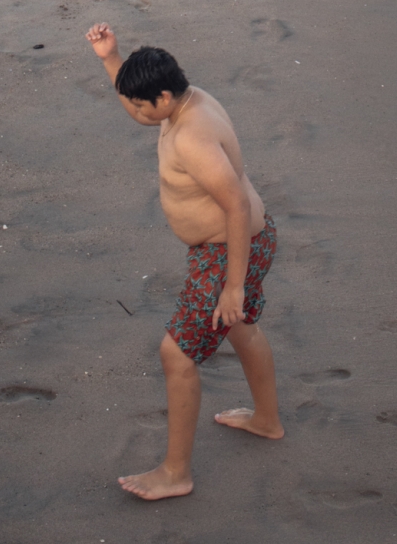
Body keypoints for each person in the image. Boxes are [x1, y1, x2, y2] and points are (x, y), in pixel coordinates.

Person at [84, 25, 282, 501]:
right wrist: (110, 59)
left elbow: (233, 204)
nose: (135, 110)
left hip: (227, 251)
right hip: (252, 239)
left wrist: (232, 286)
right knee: (241, 328)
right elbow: (144, 112)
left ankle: (176, 473)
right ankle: (267, 420)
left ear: (165, 95)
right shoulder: (189, 101)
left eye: (140, 102)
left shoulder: (192, 137)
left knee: (177, 355)